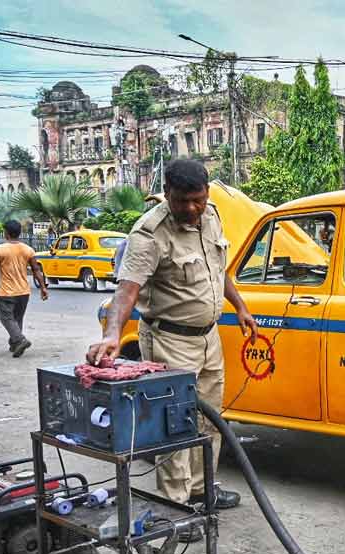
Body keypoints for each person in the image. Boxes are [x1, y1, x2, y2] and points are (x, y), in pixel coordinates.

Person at [86, 159, 257, 528]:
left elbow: (218, 269)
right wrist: (112, 335)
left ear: (207, 193)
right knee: (175, 424)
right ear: (167, 194)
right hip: (169, 340)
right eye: (183, 201)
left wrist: (240, 307)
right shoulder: (149, 233)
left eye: (198, 199)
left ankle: (201, 489)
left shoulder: (210, 216)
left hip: (209, 337)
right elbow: (127, 290)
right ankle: (175, 508)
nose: (192, 209)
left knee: (209, 419)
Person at [0, 220, 48, 356]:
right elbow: (36, 270)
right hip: (23, 292)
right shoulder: (28, 249)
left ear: (6, 233)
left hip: (5, 292)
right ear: (19, 233)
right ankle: (15, 344)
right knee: (17, 318)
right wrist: (43, 287)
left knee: (6, 318)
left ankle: (20, 340)